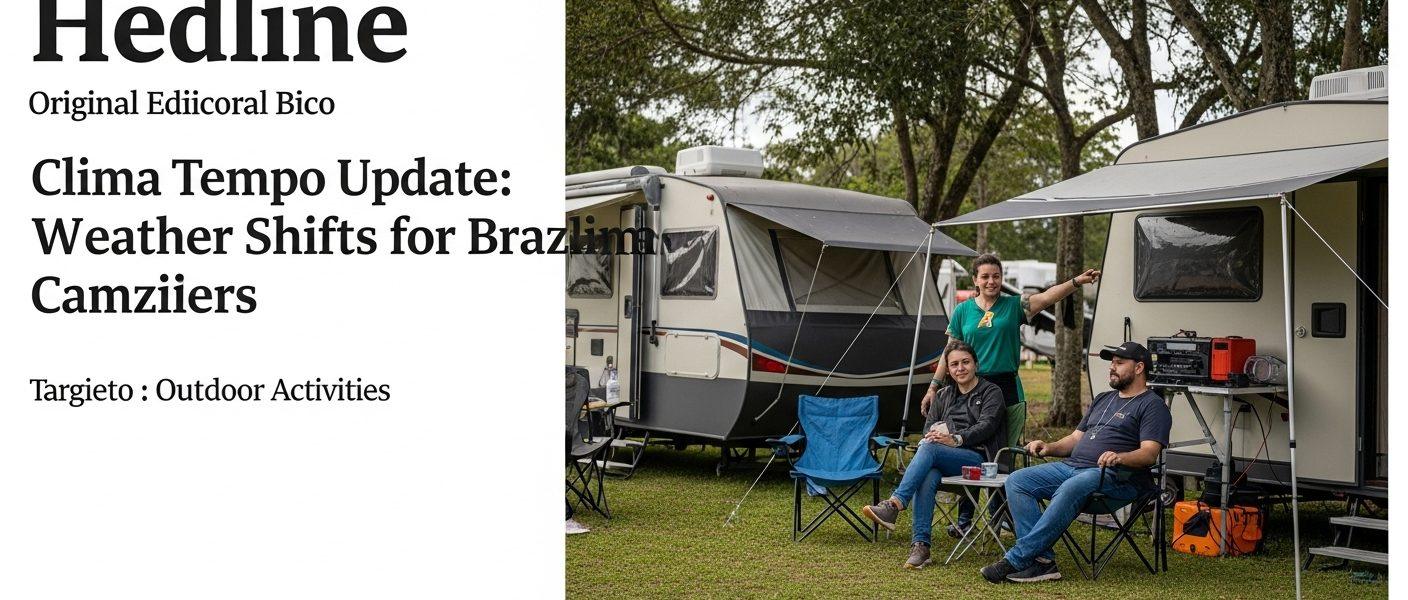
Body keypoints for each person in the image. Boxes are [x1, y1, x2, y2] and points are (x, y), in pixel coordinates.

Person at [921, 254, 1099, 535]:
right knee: (966, 448)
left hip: (1004, 389)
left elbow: (1048, 297)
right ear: (975, 280)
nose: (991, 281)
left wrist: (1076, 281)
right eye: (985, 276)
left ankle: (1001, 517)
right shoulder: (963, 311)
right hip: (967, 388)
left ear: (1001, 279)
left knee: (1000, 454)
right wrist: (934, 386)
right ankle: (965, 521)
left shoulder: (1013, 306)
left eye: (996, 276)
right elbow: (950, 352)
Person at [979, 342, 1171, 584]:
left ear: (1139, 367)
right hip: (1072, 468)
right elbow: (1074, 439)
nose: (1112, 368)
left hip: (1115, 477)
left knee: (1073, 485)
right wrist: (1049, 447)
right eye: (1111, 362)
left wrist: (1119, 457)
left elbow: (1149, 453)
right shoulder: (1103, 399)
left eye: (1119, 363)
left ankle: (1016, 559)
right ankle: (1042, 562)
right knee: (1018, 480)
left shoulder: (1152, 405)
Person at [861, 343, 1005, 569]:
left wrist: (954, 438)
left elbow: (986, 426)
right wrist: (938, 435)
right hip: (943, 459)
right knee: (928, 472)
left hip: (978, 461)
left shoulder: (991, 392)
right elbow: (928, 430)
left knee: (929, 449)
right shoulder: (944, 395)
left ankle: (895, 504)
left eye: (965, 362)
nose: (960, 368)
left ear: (976, 364)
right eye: (954, 364)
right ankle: (921, 546)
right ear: (948, 370)